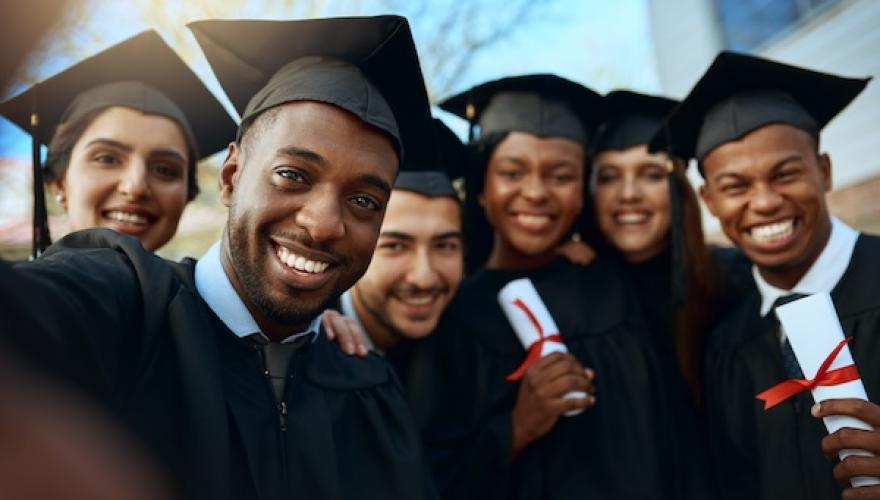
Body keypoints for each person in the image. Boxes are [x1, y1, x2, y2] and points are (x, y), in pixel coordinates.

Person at [0, 15, 440, 500]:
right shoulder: (122, 301)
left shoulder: (369, 386)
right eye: (293, 175)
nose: (324, 224)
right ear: (231, 177)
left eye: (364, 201)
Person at [414, 74, 682, 500]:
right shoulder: (450, 319)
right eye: (512, 172)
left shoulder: (615, 281)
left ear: (582, 192)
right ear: (482, 188)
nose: (536, 192)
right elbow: (432, 480)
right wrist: (516, 428)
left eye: (560, 175)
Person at [650, 50, 880, 500]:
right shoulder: (727, 347)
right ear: (710, 200)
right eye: (735, 186)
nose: (765, 202)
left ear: (825, 171)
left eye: (786, 174)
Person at [0, 30, 236, 254]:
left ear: (188, 195)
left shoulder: (202, 297)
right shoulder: (15, 294)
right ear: (58, 183)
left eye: (164, 170)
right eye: (106, 159)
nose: (135, 187)